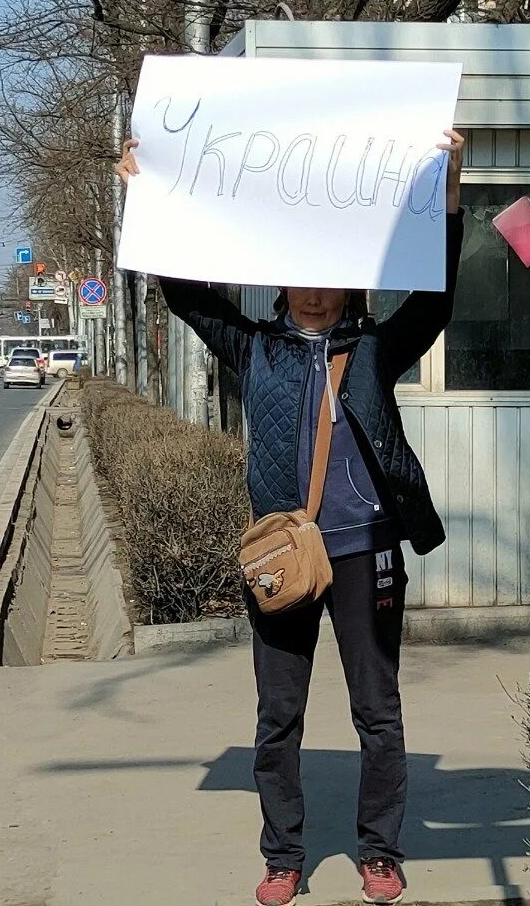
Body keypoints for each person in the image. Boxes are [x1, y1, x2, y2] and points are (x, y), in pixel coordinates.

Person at [118, 127, 466, 906]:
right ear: (281, 283)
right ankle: (283, 856)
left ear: (349, 285)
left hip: (366, 550)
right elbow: (183, 294)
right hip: (282, 556)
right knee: (278, 716)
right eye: (300, 278)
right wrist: (147, 193)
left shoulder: (377, 350)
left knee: (377, 711)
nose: (314, 292)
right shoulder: (255, 351)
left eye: (329, 278)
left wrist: (448, 195)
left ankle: (380, 850)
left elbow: (439, 297)